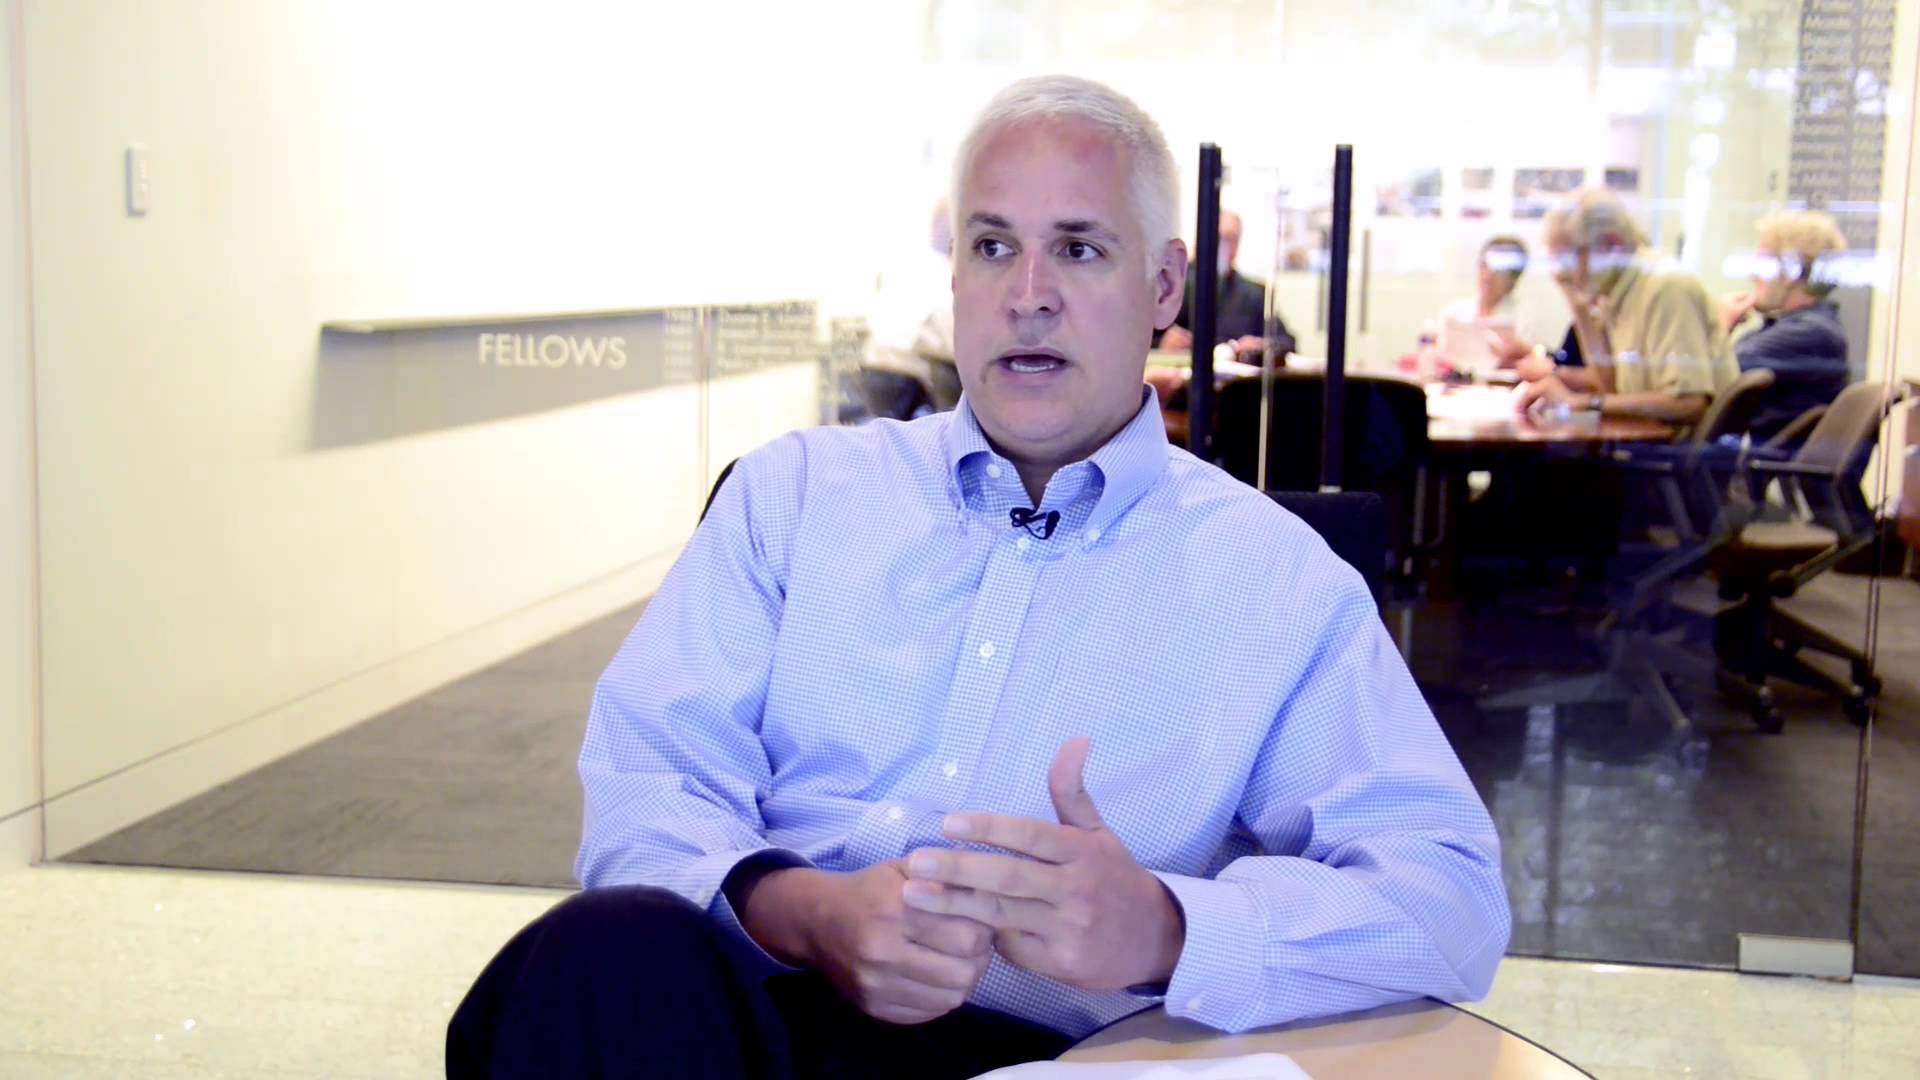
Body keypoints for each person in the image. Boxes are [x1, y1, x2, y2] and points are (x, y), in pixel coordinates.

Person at [448, 74, 1509, 1079]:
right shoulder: (795, 495)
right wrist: (805, 913)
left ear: (1164, 286)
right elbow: (647, 786)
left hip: (1047, 1054)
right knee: (596, 955)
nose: (1028, 297)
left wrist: (1167, 928)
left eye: (1079, 249)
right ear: (955, 273)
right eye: (993, 246)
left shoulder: (1275, 581)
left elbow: (1447, 899)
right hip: (738, 1022)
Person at [1515, 188, 1738, 427]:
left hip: (1679, 447)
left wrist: (1581, 402)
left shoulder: (1664, 286)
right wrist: (1578, 305)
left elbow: (1688, 403)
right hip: (1647, 439)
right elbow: (1610, 386)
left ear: (1612, 246)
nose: (1560, 273)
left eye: (1568, 259)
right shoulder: (1615, 288)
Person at [1719, 210, 1852, 445]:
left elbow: (1708, 379)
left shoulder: (1809, 334)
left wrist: (1720, 325)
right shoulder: (1795, 328)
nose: (1752, 274)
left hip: (1756, 463)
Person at [1156, 210, 1297, 360]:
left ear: (1237, 245)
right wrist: (1161, 343)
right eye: (1218, 238)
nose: (1222, 246)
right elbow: (1142, 334)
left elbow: (1287, 342)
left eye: (1230, 240)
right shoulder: (1170, 282)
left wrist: (1260, 346)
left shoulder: (1254, 294)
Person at [1445, 236, 1567, 373]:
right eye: (1484, 265)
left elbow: (1545, 364)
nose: (1487, 276)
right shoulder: (1454, 313)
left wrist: (1525, 351)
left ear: (1513, 278)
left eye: (1498, 270)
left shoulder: (1527, 317)